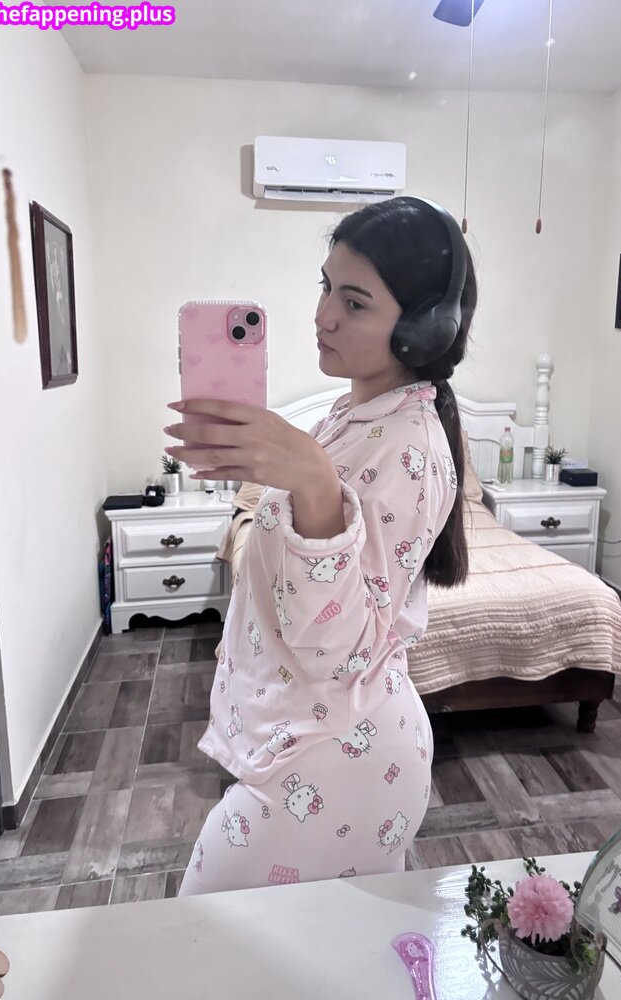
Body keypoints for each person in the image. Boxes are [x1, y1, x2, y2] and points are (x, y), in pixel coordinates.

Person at [164, 197, 477, 894]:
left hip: (338, 759)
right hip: (317, 740)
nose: (323, 315)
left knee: (194, 931)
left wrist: (311, 480)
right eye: (326, 286)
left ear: (422, 329)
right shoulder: (352, 417)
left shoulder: (408, 448)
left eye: (354, 302)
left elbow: (335, 647)